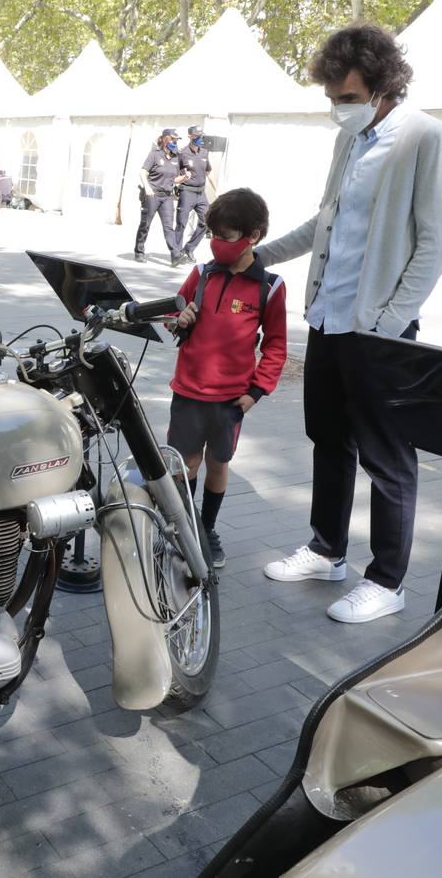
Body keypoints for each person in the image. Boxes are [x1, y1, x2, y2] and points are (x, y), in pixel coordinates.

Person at [259, 24, 442, 624]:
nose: (338, 108)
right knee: (328, 440)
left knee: (388, 457)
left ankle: (388, 580)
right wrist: (258, 256)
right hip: (327, 317)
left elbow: (434, 243)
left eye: (346, 96)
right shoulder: (351, 142)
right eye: (332, 98)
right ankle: (327, 549)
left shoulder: (424, 136)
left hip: (378, 332)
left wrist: (390, 323)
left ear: (381, 85)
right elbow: (326, 220)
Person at [168, 188, 287, 568]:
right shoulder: (201, 274)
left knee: (218, 465)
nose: (217, 243)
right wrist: (179, 318)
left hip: (230, 400)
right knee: (185, 465)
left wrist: (257, 391)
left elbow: (276, 345)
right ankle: (183, 528)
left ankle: (207, 528)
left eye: (227, 236)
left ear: (252, 236)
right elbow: (174, 314)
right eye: (213, 235)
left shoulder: (270, 287)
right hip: (188, 391)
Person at [134, 128, 185, 264]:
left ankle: (175, 255)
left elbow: (174, 179)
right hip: (152, 195)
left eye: (176, 140)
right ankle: (139, 251)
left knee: (168, 227)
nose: (175, 142)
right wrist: (147, 188)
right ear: (166, 140)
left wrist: (185, 177)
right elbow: (143, 172)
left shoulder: (176, 158)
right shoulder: (155, 155)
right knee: (145, 224)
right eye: (173, 140)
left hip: (167, 197)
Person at [175, 126, 213, 263]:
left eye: (201, 136)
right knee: (181, 223)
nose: (200, 139)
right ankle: (177, 253)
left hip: (201, 193)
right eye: (197, 136)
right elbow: (175, 173)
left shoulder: (204, 152)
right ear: (190, 137)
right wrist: (180, 180)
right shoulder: (182, 153)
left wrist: (216, 189)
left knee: (207, 221)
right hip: (187, 191)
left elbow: (208, 171)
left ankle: (189, 248)